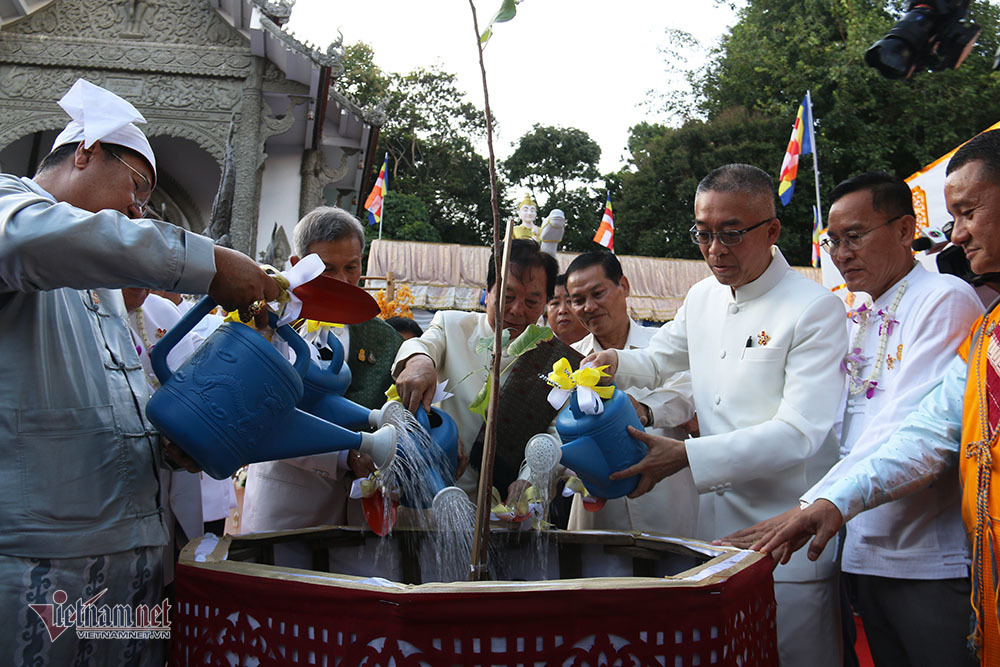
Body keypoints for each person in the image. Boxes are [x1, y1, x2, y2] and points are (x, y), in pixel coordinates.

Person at [0, 78, 276, 665]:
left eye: (146, 203)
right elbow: (29, 245)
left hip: (136, 562)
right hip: (40, 567)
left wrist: (170, 440)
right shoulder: (10, 208)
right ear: (85, 150)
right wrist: (204, 263)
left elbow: (117, 391)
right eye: (137, 185)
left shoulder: (101, 282)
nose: (136, 209)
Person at [586, 164, 848, 666]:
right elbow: (660, 357)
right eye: (703, 234)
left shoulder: (813, 309)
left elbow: (799, 433)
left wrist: (687, 456)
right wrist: (613, 362)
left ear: (771, 230)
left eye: (731, 234)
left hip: (787, 534)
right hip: (716, 537)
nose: (714, 250)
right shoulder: (703, 295)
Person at [756, 129, 1000, 666]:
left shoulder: (946, 298)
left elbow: (913, 430)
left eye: (855, 236)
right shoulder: (853, 312)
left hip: (925, 553)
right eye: (833, 242)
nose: (841, 255)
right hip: (856, 539)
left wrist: (821, 502)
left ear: (905, 229)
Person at [242, 206, 403, 532]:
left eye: (351, 267)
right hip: (289, 508)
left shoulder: (384, 336)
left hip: (361, 514)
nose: (342, 281)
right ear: (298, 266)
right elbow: (259, 419)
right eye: (327, 269)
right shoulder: (269, 327)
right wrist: (346, 456)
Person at [393, 239, 558, 494]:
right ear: (488, 290)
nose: (516, 310)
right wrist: (419, 362)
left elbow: (555, 431)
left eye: (531, 302)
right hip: (438, 491)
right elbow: (423, 346)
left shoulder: (553, 358)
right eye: (507, 296)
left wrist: (530, 478)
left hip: (506, 504)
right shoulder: (453, 325)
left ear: (546, 301)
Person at [563, 251, 698, 537]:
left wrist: (645, 411)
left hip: (667, 500)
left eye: (598, 293)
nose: (589, 307)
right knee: (605, 581)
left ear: (623, 286)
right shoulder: (568, 363)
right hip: (600, 514)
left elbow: (687, 392)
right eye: (578, 300)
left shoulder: (661, 345)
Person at [546, 273, 589, 345]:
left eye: (570, 301)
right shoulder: (538, 351)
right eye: (555, 303)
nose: (562, 310)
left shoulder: (606, 348)